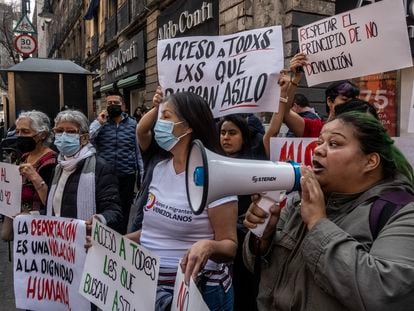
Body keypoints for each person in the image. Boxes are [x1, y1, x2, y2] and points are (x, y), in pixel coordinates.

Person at [243, 111, 414, 310]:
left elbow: (386, 295)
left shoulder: (401, 213)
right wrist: (263, 237)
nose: (318, 150)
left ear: (370, 162)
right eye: (319, 142)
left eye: (334, 144)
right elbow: (255, 263)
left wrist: (318, 224)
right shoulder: (299, 201)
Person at [127, 89, 237, 311]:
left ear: (188, 126)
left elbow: (230, 246)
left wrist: (208, 246)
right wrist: (109, 241)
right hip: (148, 286)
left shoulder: (216, 176)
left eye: (166, 117)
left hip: (199, 291)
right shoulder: (159, 168)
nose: (159, 124)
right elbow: (151, 233)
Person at [46, 110, 123, 233]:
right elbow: (53, 210)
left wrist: (100, 220)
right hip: (58, 243)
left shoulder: (101, 168)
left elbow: (114, 212)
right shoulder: (58, 168)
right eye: (59, 131)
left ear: (85, 138)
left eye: (70, 132)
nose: (63, 136)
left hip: (84, 243)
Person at [218, 114, 265, 311]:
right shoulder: (212, 163)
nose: (226, 137)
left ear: (243, 137)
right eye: (222, 133)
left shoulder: (256, 167)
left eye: (232, 133)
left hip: (244, 244)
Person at [89, 91, 142, 234]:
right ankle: (104, 237)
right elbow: (88, 139)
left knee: (124, 210)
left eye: (116, 103)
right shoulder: (101, 124)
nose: (112, 106)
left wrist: (141, 175)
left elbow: (138, 151)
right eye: (109, 103)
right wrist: (98, 123)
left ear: (123, 106)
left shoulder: (133, 124)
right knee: (105, 209)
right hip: (105, 177)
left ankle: (121, 239)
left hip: (127, 175)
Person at [1, 110, 57, 241]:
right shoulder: (23, 156)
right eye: (18, 131)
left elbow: (53, 203)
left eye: (26, 132)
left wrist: (35, 177)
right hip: (20, 228)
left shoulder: (52, 161)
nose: (20, 136)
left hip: (40, 230)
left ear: (42, 135)